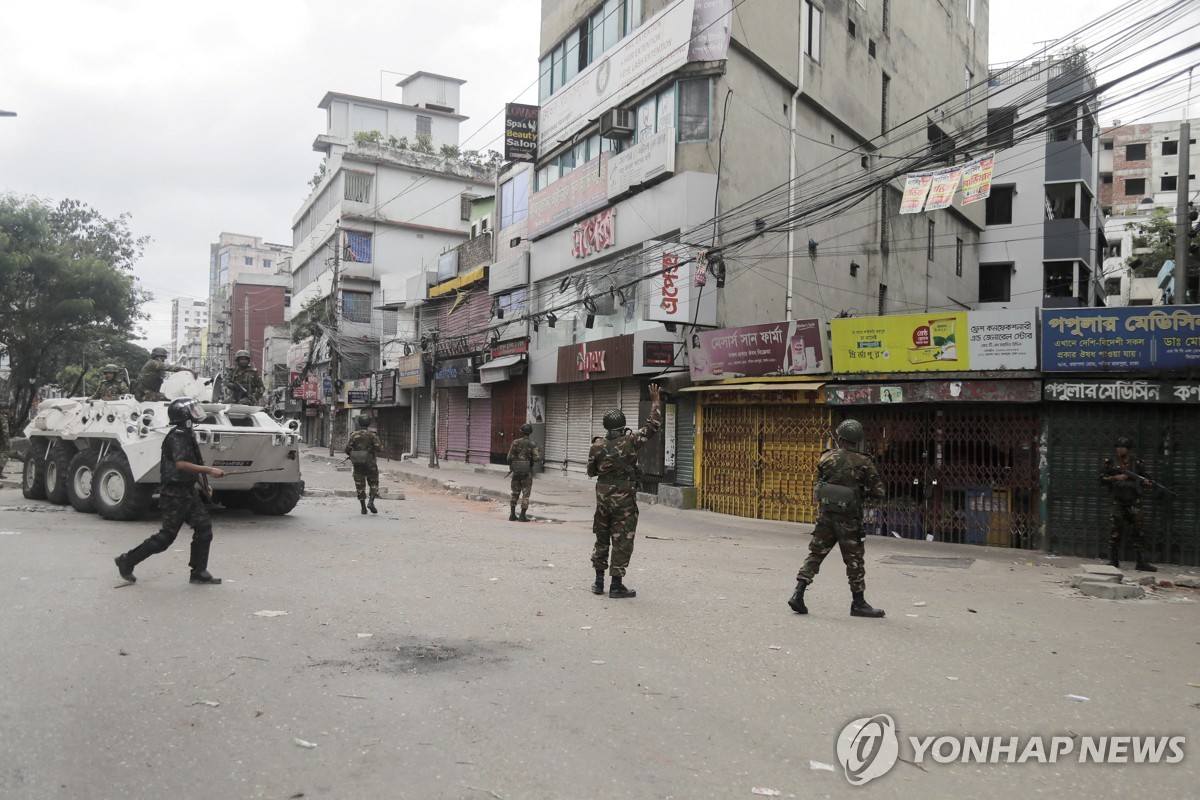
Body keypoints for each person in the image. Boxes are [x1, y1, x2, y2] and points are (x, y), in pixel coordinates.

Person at [114, 397, 225, 585]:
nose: (196, 413)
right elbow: (181, 465)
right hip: (174, 493)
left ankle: (199, 571)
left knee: (204, 528)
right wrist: (209, 471)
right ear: (184, 416)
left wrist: (204, 484)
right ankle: (127, 560)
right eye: (192, 410)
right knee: (166, 537)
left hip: (188, 491)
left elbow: (192, 464)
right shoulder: (177, 436)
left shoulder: (187, 434)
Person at [788, 419, 886, 618]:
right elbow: (879, 492)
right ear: (858, 441)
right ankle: (858, 603)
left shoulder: (826, 458)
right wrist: (858, 493)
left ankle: (798, 592)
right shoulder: (864, 462)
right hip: (849, 518)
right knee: (854, 559)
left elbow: (820, 482)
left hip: (826, 514)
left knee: (816, 553)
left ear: (840, 438)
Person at [586, 384, 662, 599]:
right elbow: (653, 426)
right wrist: (655, 401)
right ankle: (617, 585)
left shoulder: (597, 446)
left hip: (602, 499)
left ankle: (598, 582)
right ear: (623, 424)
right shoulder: (631, 441)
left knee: (601, 537)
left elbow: (591, 472)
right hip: (624, 500)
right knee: (622, 539)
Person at [1099, 436, 1156, 572]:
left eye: (1122, 447)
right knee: (1115, 530)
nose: (1119, 449)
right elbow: (1101, 479)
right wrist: (1115, 477)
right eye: (1118, 447)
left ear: (1128, 449)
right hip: (1117, 501)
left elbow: (1145, 478)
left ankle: (1141, 561)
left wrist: (1146, 482)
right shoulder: (1110, 462)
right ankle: (1114, 560)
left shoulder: (1137, 463)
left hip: (1133, 501)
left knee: (1139, 530)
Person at [345, 413, 381, 515]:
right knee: (374, 482)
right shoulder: (373, 436)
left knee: (359, 484)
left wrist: (355, 453)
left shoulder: (353, 435)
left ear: (359, 423)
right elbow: (379, 448)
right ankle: (371, 501)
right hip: (370, 462)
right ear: (369, 423)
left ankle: (363, 508)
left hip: (358, 462)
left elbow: (347, 449)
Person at [506, 423, 542, 522]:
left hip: (516, 471)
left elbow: (509, 457)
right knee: (525, 494)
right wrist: (536, 453)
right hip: (527, 473)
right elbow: (537, 458)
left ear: (521, 432)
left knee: (515, 493)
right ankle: (522, 516)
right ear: (530, 433)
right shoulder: (532, 444)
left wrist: (513, 465)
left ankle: (512, 515)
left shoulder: (515, 442)